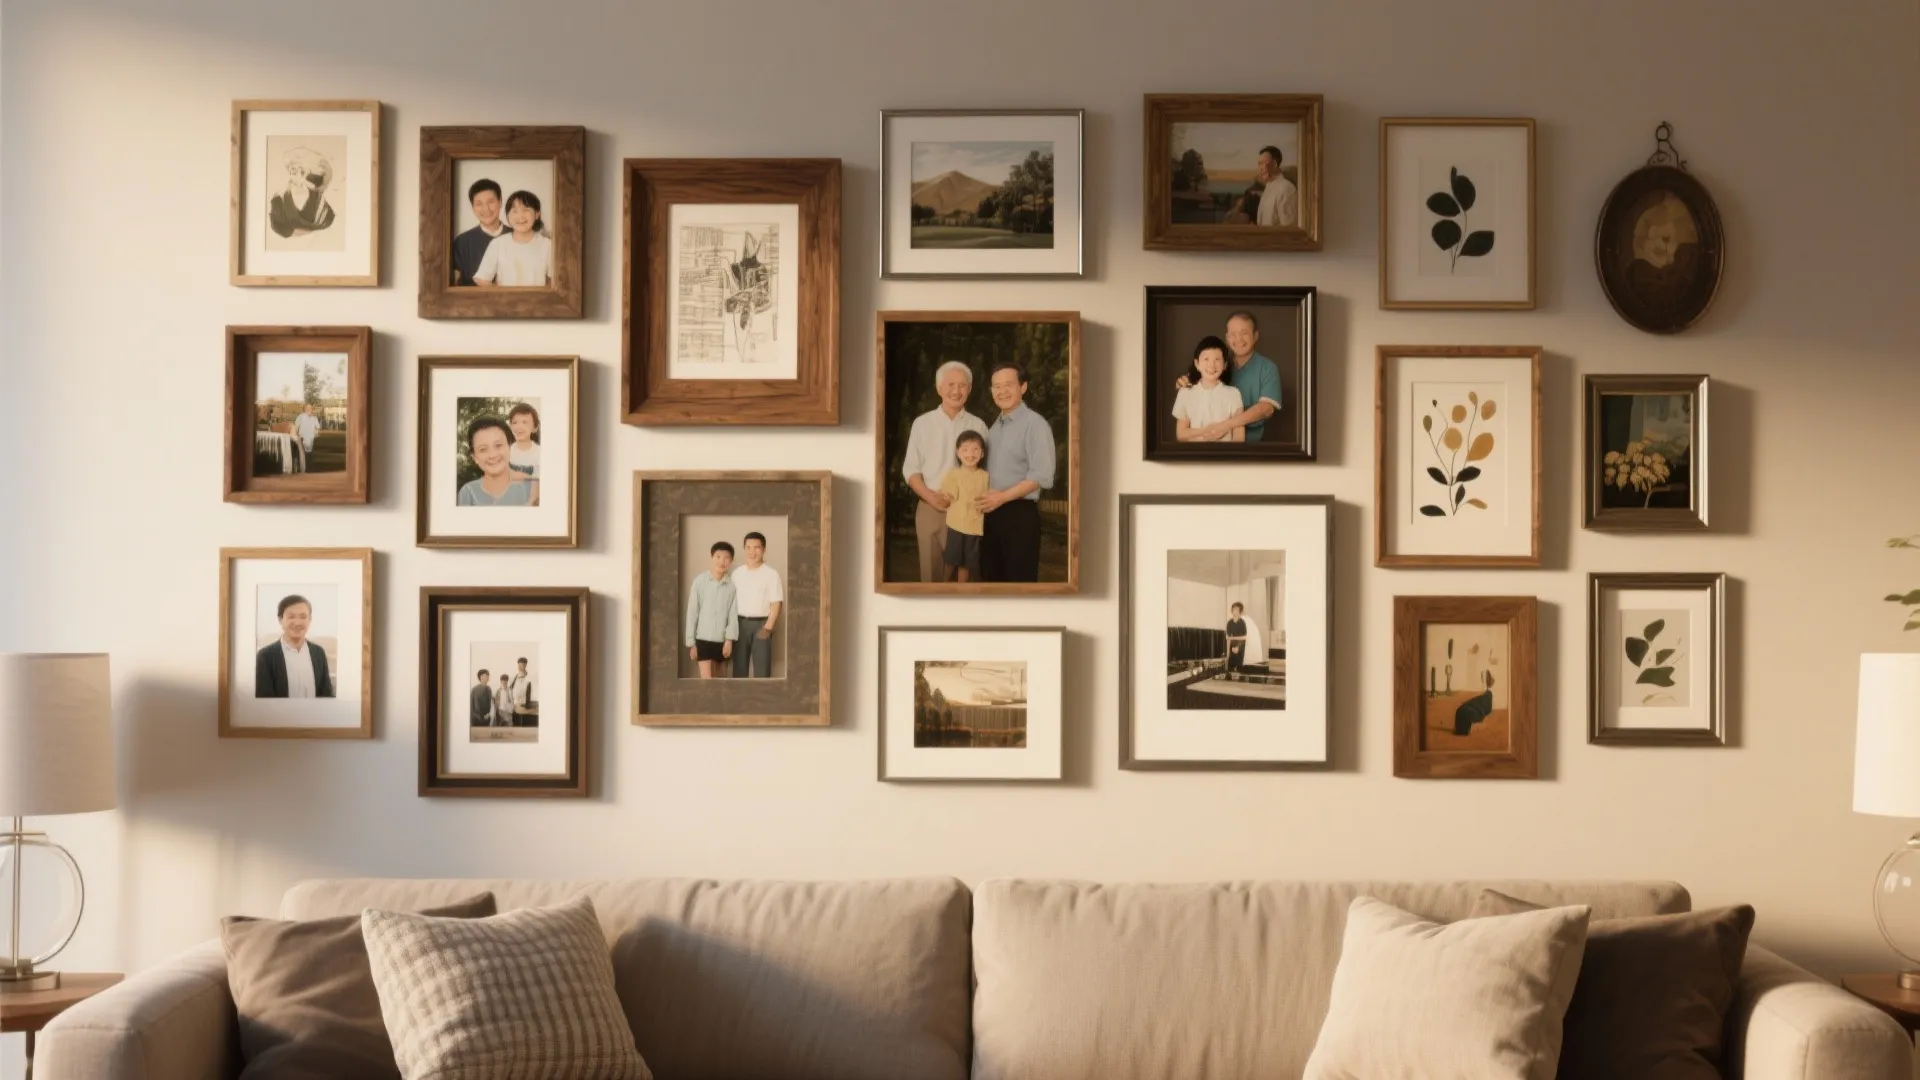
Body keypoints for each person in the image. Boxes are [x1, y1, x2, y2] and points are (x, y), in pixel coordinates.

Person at [901, 361, 989, 583]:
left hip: (967, 510)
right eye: (950, 384)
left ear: (969, 390)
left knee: (965, 578)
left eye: (962, 385)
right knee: (931, 578)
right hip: (931, 506)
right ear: (939, 388)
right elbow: (911, 468)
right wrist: (930, 496)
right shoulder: (922, 424)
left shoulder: (979, 426)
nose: (956, 391)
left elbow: (986, 470)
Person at [977, 362, 1056, 583]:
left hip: (1019, 516)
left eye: (1008, 385)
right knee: (991, 582)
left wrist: (1001, 497)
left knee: (1019, 585)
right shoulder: (993, 429)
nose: (1002, 391)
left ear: (1023, 387)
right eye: (996, 386)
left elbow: (1042, 475)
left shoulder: (1036, 425)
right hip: (991, 516)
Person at [1181, 312, 1282, 443]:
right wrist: (1185, 381)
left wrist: (1226, 425)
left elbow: (1266, 409)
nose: (1238, 339)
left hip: (1251, 447)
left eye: (1244, 333)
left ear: (1256, 335)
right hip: (1210, 443)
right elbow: (1196, 381)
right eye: (1233, 334)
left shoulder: (1267, 368)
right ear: (1227, 338)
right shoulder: (1218, 365)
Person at [254, 594, 334, 698]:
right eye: (291, 617)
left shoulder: (318, 653)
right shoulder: (265, 656)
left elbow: (326, 695)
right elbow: (264, 700)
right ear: (280, 620)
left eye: (303, 617)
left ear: (310, 619)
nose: (297, 622)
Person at [730, 532, 784, 679]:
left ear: (764, 549)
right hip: (740, 624)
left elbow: (776, 602)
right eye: (748, 547)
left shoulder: (771, 574)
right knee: (739, 670)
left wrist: (768, 627)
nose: (752, 551)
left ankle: (763, 701)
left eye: (756, 547)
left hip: (762, 624)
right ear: (744, 549)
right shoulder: (736, 574)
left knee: (762, 670)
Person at [1171, 336, 1244, 443]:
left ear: (1225, 365)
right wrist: (1205, 431)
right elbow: (1181, 434)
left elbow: (1239, 437)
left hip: (1224, 457)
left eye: (1217, 359)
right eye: (1206, 359)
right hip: (1194, 457)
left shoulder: (1234, 393)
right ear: (1197, 364)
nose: (1211, 365)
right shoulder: (1185, 393)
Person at [939, 430, 990, 582]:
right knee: (951, 562)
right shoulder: (953, 474)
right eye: (965, 449)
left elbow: (986, 497)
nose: (970, 454)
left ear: (982, 454)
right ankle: (942, 588)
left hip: (974, 528)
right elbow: (950, 494)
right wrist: (947, 497)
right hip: (956, 525)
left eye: (975, 449)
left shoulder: (985, 476)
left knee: (966, 564)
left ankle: (962, 592)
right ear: (958, 452)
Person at [473, 190, 552, 287]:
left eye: (526, 210)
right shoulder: (498, 244)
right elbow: (482, 280)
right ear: (507, 216)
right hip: (505, 301)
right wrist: (502, 297)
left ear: (537, 214)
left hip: (537, 301)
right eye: (514, 211)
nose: (520, 217)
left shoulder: (547, 245)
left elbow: (554, 281)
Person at [685, 541, 738, 679]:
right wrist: (691, 643)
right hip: (702, 640)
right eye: (718, 556)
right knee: (706, 684)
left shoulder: (731, 586)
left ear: (731, 561)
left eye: (726, 558)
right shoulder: (699, 582)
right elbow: (692, 613)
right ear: (712, 557)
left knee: (721, 685)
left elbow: (732, 616)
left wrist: (729, 640)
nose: (722, 561)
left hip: (722, 642)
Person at [457, 417, 536, 506]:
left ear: (509, 446)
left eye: (498, 445)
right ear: (475, 457)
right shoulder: (468, 492)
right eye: (483, 449)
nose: (493, 455)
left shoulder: (533, 487)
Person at [268, 147, 336, 238]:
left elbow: (328, 223)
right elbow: (278, 228)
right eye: (293, 170)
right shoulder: (278, 200)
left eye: (302, 171)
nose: (298, 174)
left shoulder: (321, 204)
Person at [452, 178, 508, 286]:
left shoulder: (517, 235)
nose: (486, 209)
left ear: (500, 202)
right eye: (479, 204)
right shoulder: (462, 242)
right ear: (473, 207)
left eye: (490, 202)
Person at [1252, 145, 1298, 228]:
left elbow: (1289, 228)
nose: (1260, 168)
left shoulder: (1286, 189)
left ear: (1274, 164)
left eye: (1262, 163)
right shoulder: (1269, 188)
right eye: (1259, 164)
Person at [1225, 602, 1248, 675]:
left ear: (1240, 612)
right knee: (1229, 670)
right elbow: (1228, 638)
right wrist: (1227, 654)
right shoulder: (1229, 623)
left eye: (1237, 610)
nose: (1235, 611)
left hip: (1240, 647)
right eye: (1234, 609)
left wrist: (1238, 647)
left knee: (1239, 670)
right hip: (1232, 647)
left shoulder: (1242, 622)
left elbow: (1244, 638)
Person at [511, 657, 536, 725]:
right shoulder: (516, 677)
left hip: (523, 706)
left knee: (522, 724)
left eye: (521, 665)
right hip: (514, 705)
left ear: (525, 665)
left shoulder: (528, 678)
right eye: (518, 665)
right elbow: (511, 689)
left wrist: (527, 706)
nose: (519, 667)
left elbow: (528, 694)